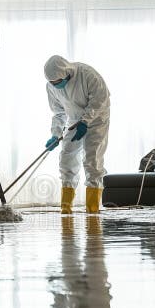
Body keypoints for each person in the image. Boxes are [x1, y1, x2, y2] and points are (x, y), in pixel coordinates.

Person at [43, 55, 110, 214]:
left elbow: (100, 100)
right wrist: (55, 134)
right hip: (74, 121)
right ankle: (66, 208)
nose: (55, 86)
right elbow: (58, 112)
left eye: (58, 82)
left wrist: (86, 121)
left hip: (97, 120)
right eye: (52, 83)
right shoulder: (51, 86)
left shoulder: (88, 75)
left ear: (66, 73)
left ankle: (92, 209)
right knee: (66, 158)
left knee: (92, 160)